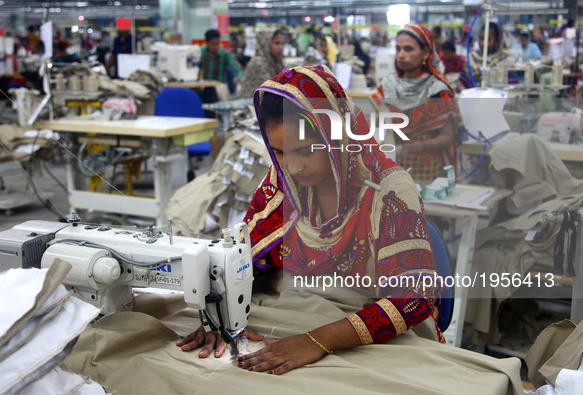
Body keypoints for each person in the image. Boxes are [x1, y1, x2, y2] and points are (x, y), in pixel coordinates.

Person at [177, 65, 443, 374]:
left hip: (368, 325)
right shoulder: (283, 184)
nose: (294, 167)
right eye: (280, 152)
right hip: (293, 308)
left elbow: (412, 300)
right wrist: (217, 317)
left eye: (305, 151)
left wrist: (317, 341)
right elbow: (244, 257)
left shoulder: (390, 191)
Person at [371, 24, 461, 183]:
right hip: (394, 167)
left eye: (408, 49)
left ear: (425, 52)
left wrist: (423, 146)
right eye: (398, 49)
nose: (401, 55)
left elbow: (447, 136)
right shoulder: (389, 85)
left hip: (428, 171)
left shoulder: (439, 89)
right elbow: (379, 130)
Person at [458, 21, 510, 90]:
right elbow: (460, 82)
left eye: (488, 39)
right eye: (481, 38)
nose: (483, 43)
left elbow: (511, 86)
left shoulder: (504, 60)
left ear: (497, 40)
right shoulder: (472, 59)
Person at [239, 29, 285, 99]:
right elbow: (272, 89)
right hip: (252, 104)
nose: (281, 47)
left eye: (282, 43)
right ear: (266, 43)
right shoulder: (258, 63)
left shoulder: (276, 62)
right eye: (277, 43)